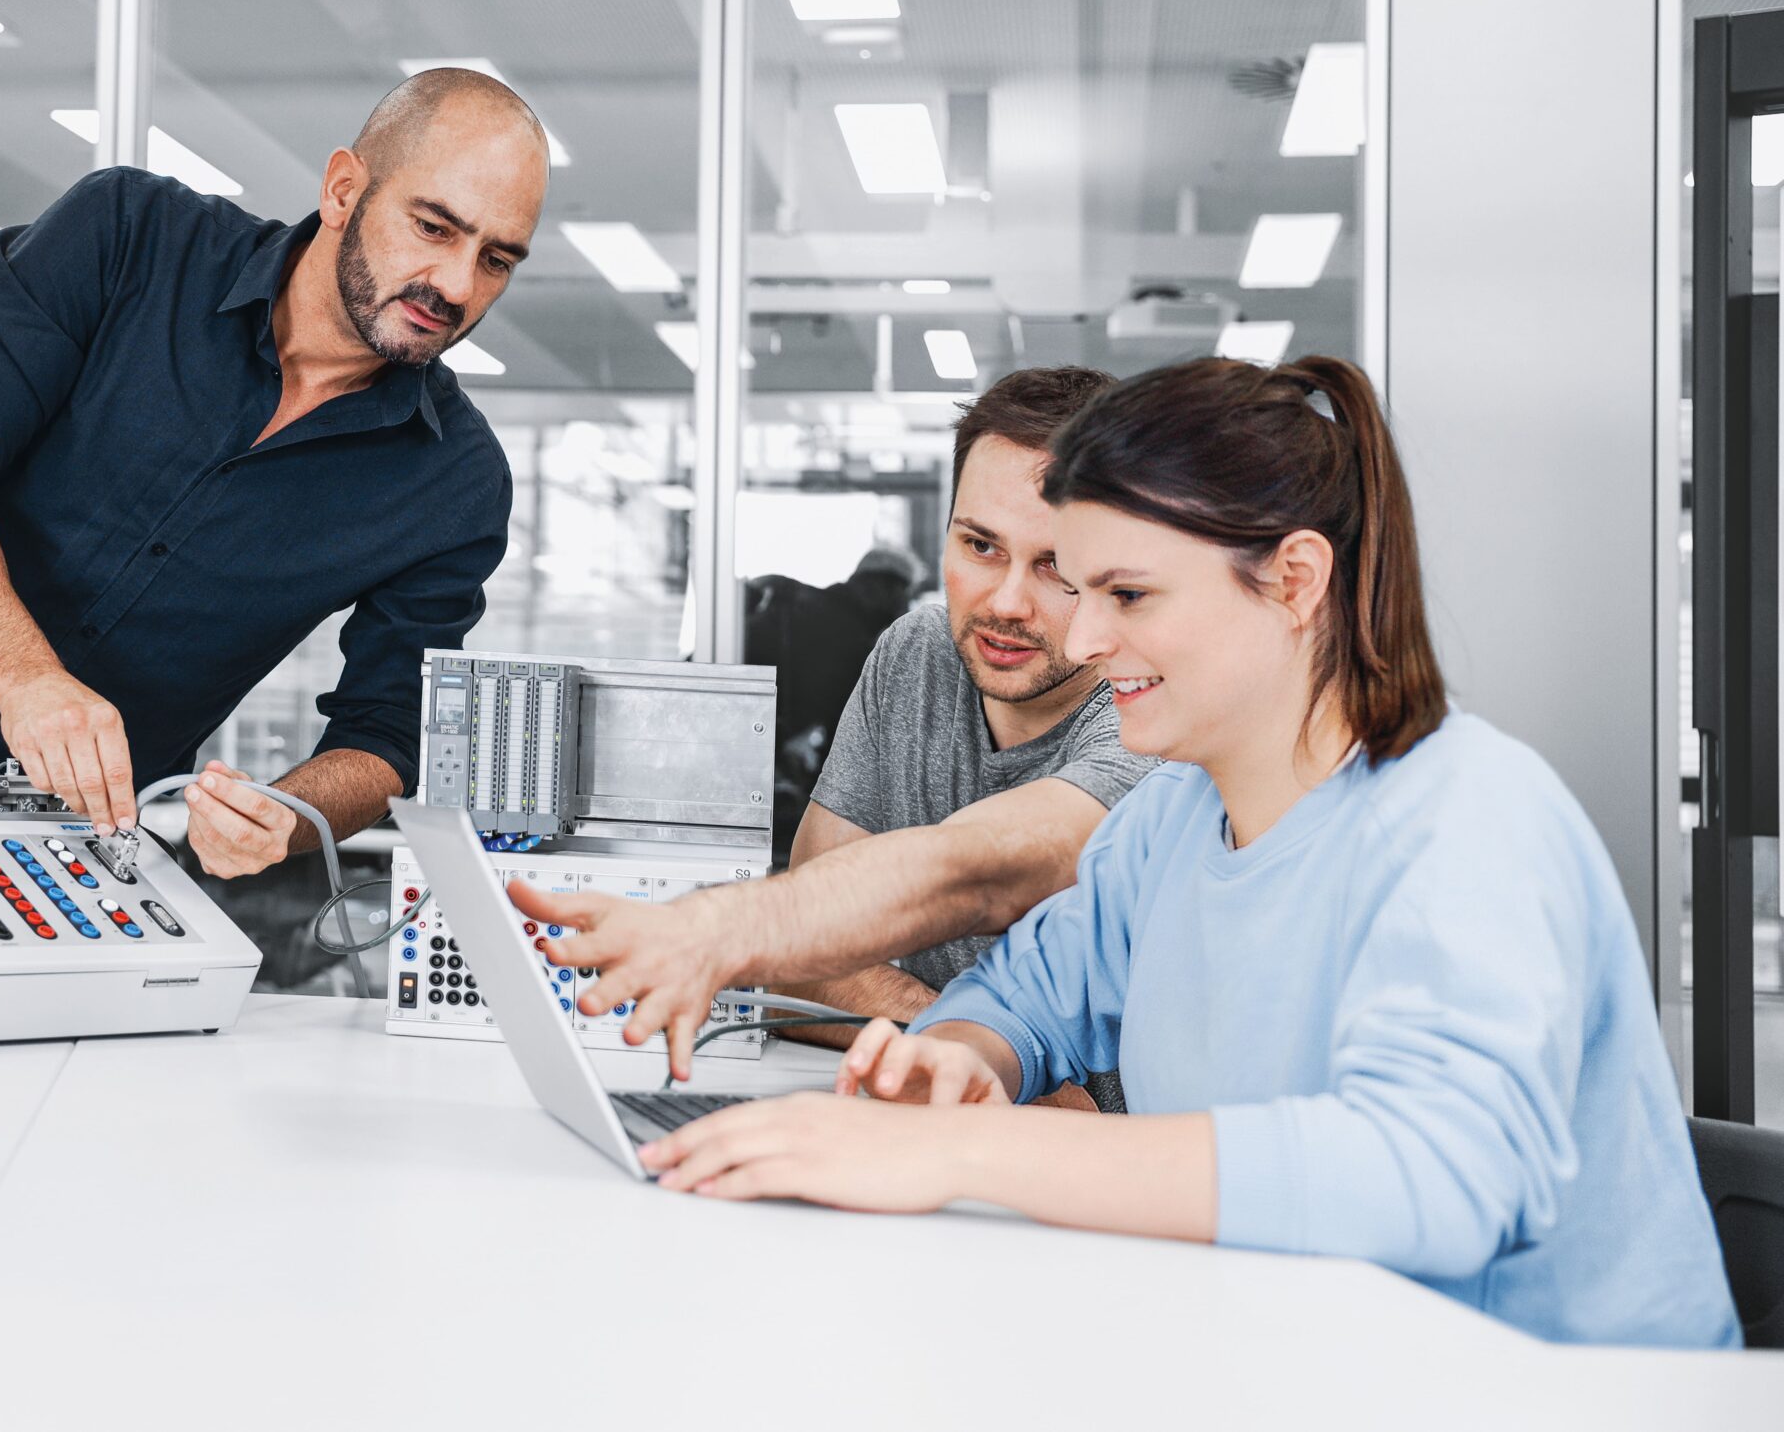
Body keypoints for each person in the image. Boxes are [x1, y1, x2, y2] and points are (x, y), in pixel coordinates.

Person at [629, 355, 1738, 1349]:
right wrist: (958, 1060)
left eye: (1126, 594)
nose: (1080, 636)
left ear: (1294, 582)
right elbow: (1030, 995)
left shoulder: (1472, 820)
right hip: (1287, 1356)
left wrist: (964, 1156)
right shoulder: (1171, 817)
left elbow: (1430, 1177)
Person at [0, 69, 547, 879]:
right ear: (344, 190)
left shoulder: (456, 482)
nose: (457, 286)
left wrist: (289, 816)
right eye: (436, 228)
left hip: (73, 851)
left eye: (497, 260)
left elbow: (387, 731)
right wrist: (26, 678)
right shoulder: (128, 236)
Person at [516, 367, 1154, 1111]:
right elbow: (808, 962)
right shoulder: (917, 653)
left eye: (1055, 567)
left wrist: (724, 930)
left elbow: (982, 873)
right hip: (941, 1115)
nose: (1005, 602)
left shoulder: (1152, 705)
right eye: (980, 546)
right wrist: (958, 1050)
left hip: (1093, 1165)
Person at [741, 545, 923, 865]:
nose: (905, 605)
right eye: (903, 593)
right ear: (879, 587)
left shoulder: (822, 612)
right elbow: (846, 742)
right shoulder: (846, 635)